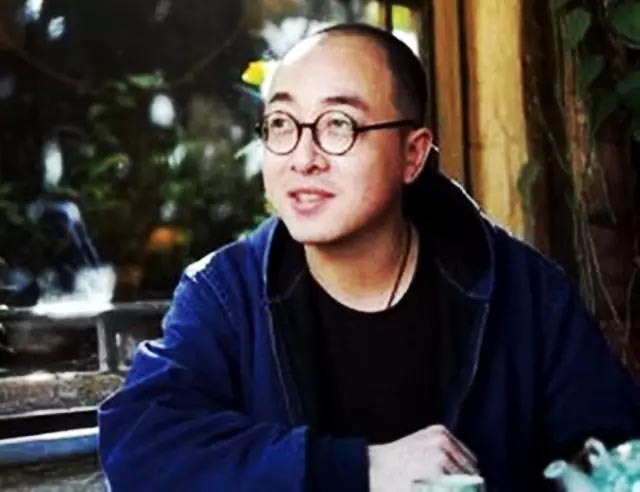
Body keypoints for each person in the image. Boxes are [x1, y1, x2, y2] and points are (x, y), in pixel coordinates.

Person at [98, 24, 640, 491]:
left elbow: (618, 457)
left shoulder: (522, 290)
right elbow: (141, 444)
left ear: (412, 154)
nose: (303, 158)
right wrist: (357, 468)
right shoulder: (226, 293)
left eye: (338, 125)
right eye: (281, 125)